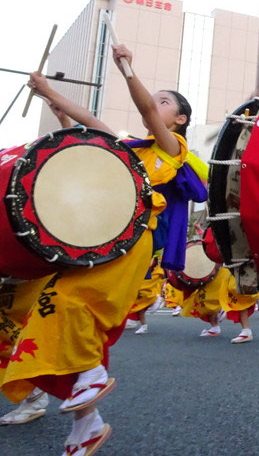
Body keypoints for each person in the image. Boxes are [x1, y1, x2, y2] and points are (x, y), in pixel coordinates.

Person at [0, 46, 193, 455]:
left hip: (133, 240)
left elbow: (144, 113)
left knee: (69, 304)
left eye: (164, 101)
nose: (155, 105)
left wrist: (127, 69)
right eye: (155, 98)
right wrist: (48, 91)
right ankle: (86, 425)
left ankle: (91, 374)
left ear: (179, 120)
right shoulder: (128, 148)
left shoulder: (170, 148)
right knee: (49, 319)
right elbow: (87, 121)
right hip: (99, 240)